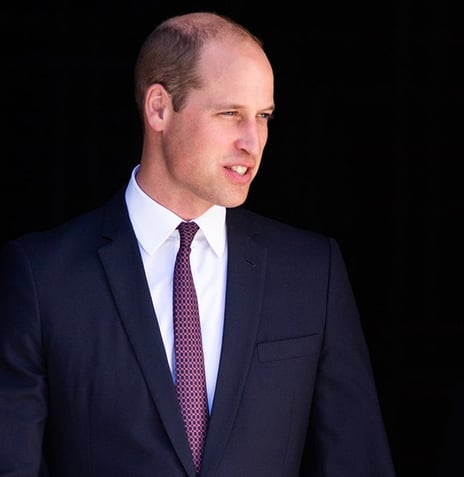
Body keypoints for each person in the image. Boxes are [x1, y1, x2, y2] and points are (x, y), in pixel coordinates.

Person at [0, 11, 395, 477]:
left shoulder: (312, 272)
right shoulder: (42, 276)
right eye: (230, 114)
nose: (254, 141)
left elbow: (357, 461)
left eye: (263, 116)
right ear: (159, 108)